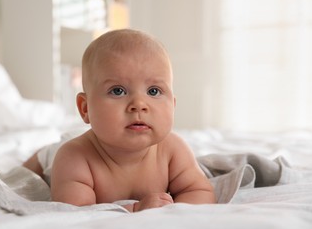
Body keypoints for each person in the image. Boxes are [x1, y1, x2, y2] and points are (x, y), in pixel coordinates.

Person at [23, 29, 216, 212]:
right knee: (28, 170)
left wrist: (175, 211)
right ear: (85, 108)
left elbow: (200, 192)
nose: (139, 104)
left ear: (173, 104)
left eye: (154, 91)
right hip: (61, 151)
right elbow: (77, 213)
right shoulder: (74, 158)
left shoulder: (173, 151)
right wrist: (134, 209)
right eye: (118, 91)